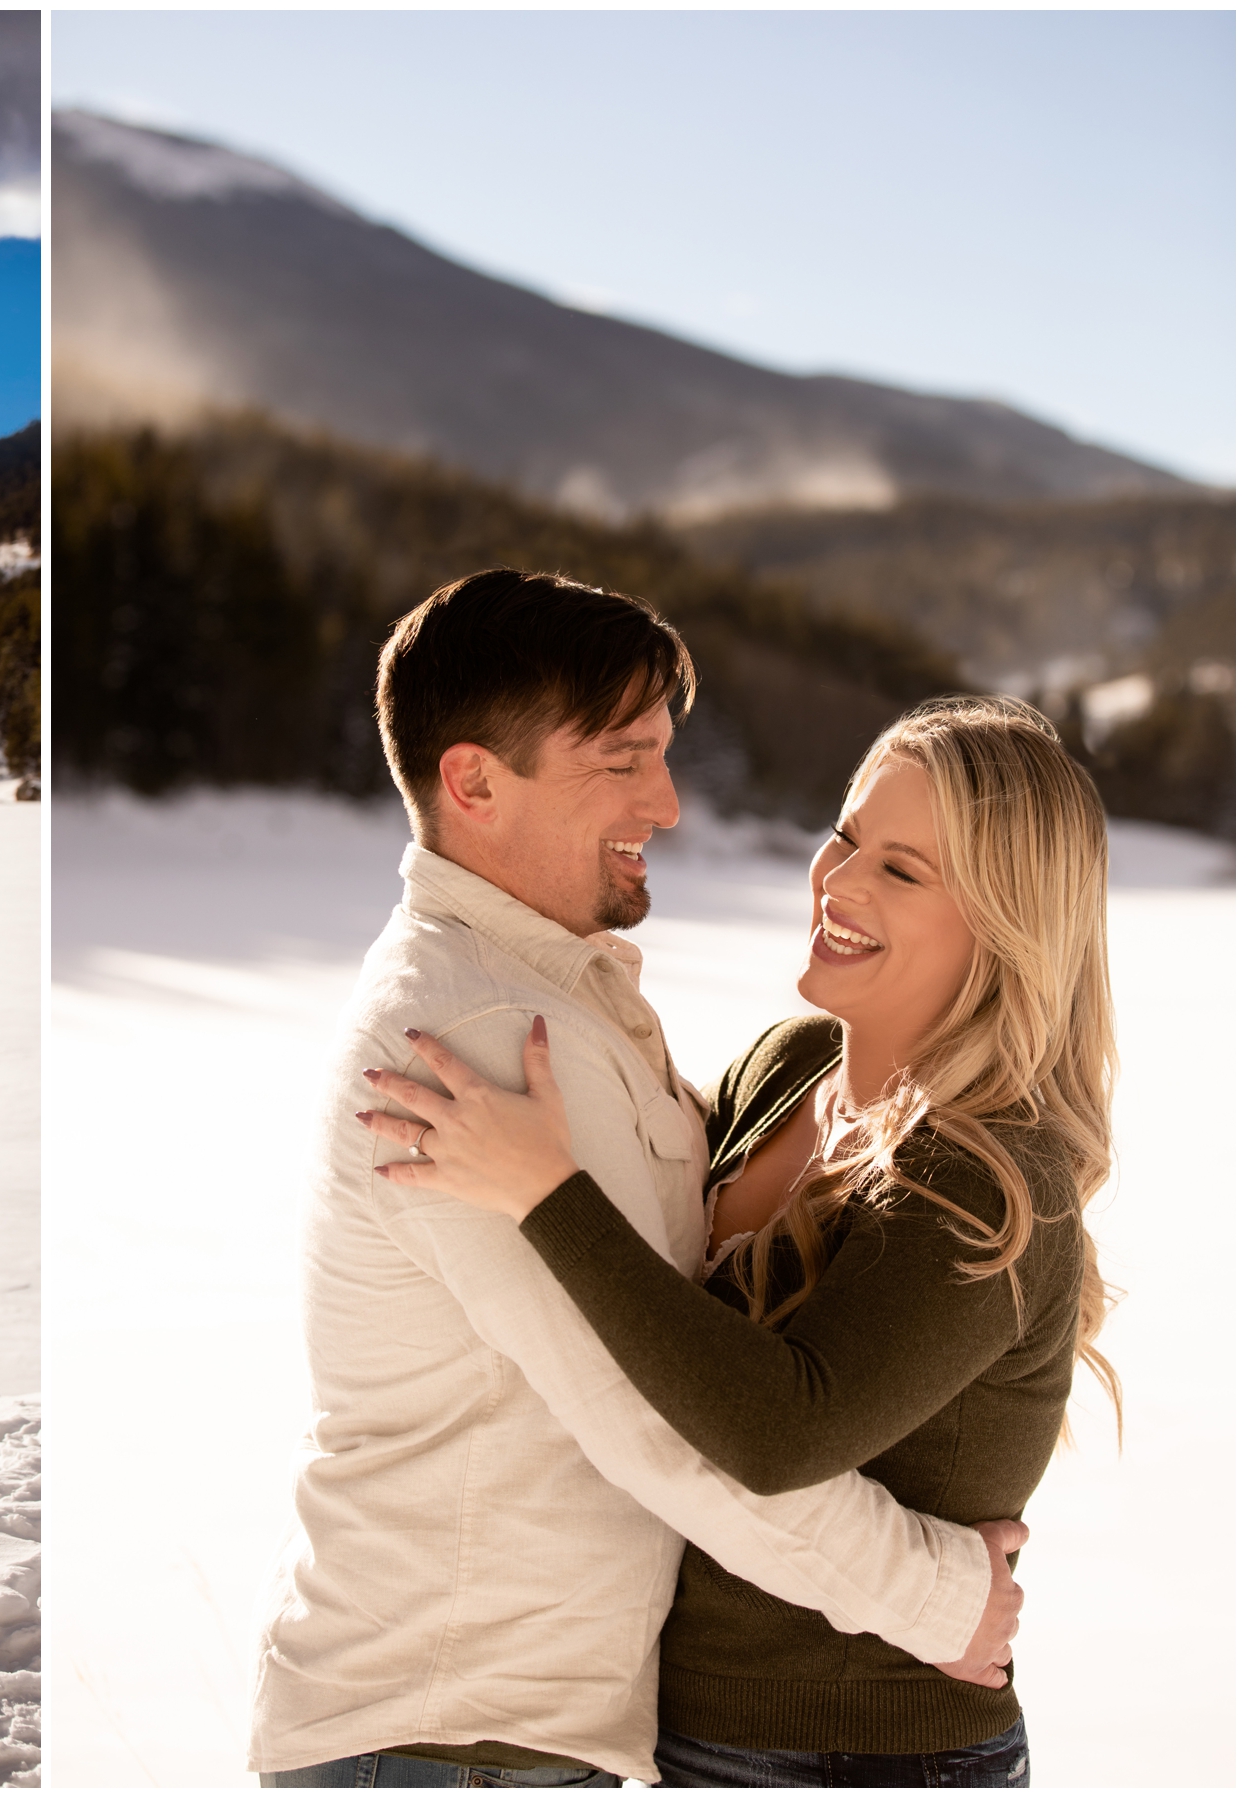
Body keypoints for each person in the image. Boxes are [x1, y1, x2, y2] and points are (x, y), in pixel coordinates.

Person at [248, 570, 1026, 1789]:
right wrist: (940, 1599)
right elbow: (663, 1417)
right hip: (453, 1738)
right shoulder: (490, 1039)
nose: (664, 803)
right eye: (622, 761)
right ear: (474, 783)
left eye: (666, 756)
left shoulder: (556, 994)